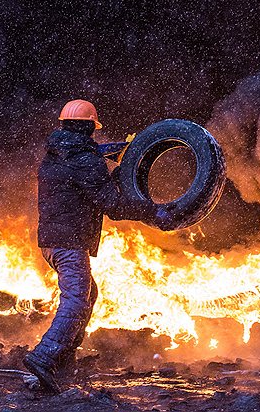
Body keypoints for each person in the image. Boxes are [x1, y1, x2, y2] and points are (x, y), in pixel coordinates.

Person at [24, 99, 171, 392]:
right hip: (69, 243)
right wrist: (152, 210)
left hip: (52, 242)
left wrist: (117, 157)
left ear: (64, 125)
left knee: (88, 293)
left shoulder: (54, 155)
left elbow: (83, 164)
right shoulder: (86, 161)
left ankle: (61, 362)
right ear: (90, 127)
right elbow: (112, 205)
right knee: (77, 299)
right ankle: (45, 356)